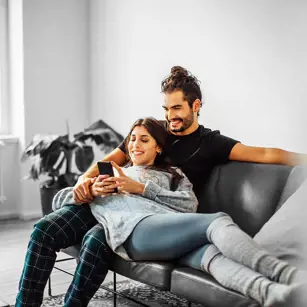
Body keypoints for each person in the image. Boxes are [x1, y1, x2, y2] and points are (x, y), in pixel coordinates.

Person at [31, 117, 305, 307]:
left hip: (170, 231)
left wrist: (140, 187)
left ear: (158, 147)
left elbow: (189, 205)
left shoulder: (174, 175)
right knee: (218, 221)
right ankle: (288, 275)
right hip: (136, 230)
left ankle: (273, 294)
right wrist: (88, 189)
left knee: (212, 256)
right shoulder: (114, 176)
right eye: (132, 140)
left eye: (144, 140)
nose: (135, 145)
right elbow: (63, 201)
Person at [73, 66, 307, 205]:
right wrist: (84, 180)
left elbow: (266, 153)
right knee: (63, 216)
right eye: (166, 109)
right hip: (129, 204)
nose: (169, 116)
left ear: (195, 106)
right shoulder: (152, 133)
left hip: (169, 210)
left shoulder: (211, 142)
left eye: (176, 109)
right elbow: (111, 160)